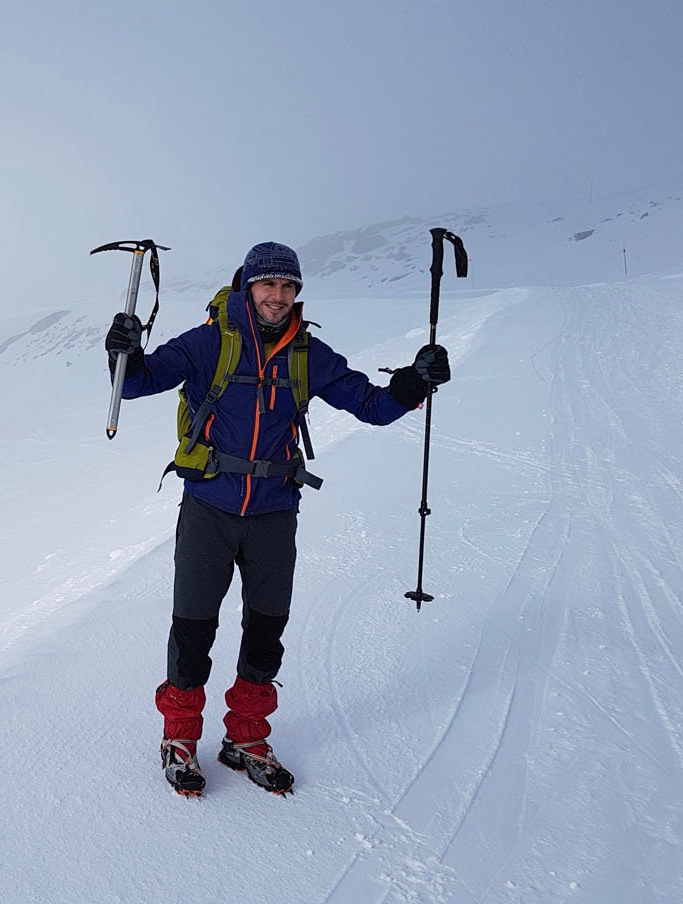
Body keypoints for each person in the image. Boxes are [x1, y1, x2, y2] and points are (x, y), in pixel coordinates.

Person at [104, 240, 451, 797]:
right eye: (269, 285)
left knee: (266, 633)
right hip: (209, 509)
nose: (279, 297)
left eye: (289, 287)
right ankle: (179, 738)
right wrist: (122, 349)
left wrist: (416, 381)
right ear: (248, 287)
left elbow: (374, 406)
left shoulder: (309, 355)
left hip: (273, 514)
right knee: (193, 630)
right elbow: (140, 380)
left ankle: (245, 737)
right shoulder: (208, 342)